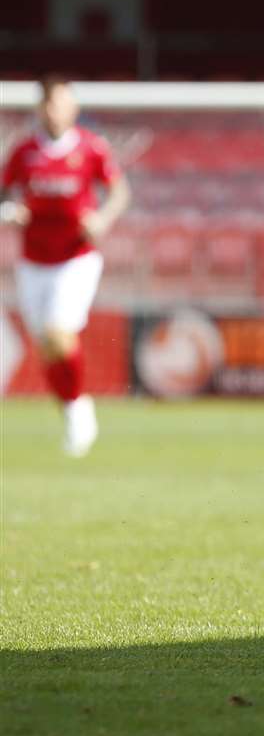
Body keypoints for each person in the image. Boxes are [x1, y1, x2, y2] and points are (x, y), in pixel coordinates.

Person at [1, 76, 130, 457]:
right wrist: (10, 213)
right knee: (49, 348)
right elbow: (5, 195)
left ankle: (78, 411)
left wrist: (102, 219)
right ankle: (74, 407)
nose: (57, 110)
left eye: (64, 103)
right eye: (51, 103)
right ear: (41, 108)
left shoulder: (91, 148)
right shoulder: (23, 151)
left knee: (59, 336)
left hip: (75, 259)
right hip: (33, 261)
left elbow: (119, 191)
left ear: (72, 107)